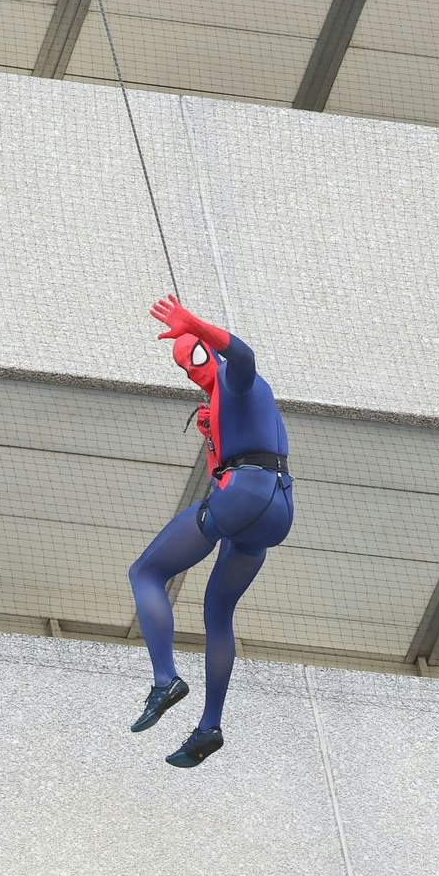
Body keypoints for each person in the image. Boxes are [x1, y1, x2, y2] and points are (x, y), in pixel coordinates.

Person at [125, 295, 292, 771]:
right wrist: (215, 442)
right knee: (218, 611)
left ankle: (165, 680)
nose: (192, 371)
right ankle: (209, 727)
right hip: (277, 507)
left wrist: (191, 321)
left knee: (147, 572)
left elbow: (243, 355)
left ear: (205, 356)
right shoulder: (229, 405)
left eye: (192, 359)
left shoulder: (237, 383)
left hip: (248, 494)